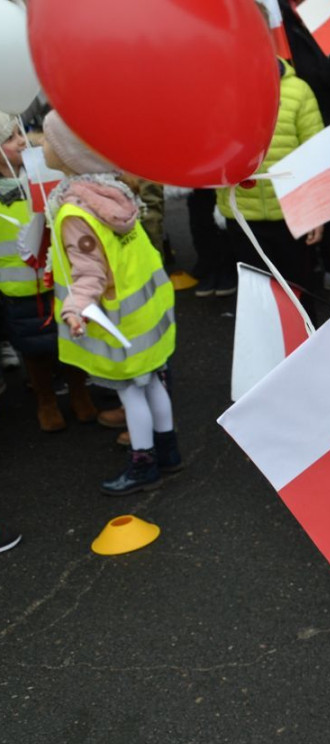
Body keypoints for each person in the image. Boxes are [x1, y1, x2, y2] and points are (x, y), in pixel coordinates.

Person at [43, 111, 181, 495]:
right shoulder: (113, 193)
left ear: (71, 156)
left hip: (117, 322)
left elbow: (89, 274)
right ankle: (168, 451)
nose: (41, 144)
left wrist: (74, 308)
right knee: (153, 383)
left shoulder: (76, 211)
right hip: (148, 317)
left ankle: (143, 464)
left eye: (49, 140)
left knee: (131, 393)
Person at [0, 112, 100, 431]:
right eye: (10, 138)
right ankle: (45, 400)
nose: (21, 141)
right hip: (17, 287)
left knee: (70, 338)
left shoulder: (41, 175)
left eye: (20, 133)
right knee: (33, 349)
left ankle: (80, 393)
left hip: (59, 276)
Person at [215, 55, 325, 315]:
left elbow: (316, 152)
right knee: (257, 299)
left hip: (291, 214)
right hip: (243, 215)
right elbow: (212, 145)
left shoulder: (298, 90)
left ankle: (307, 338)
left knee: (297, 292)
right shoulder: (224, 91)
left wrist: (317, 212)